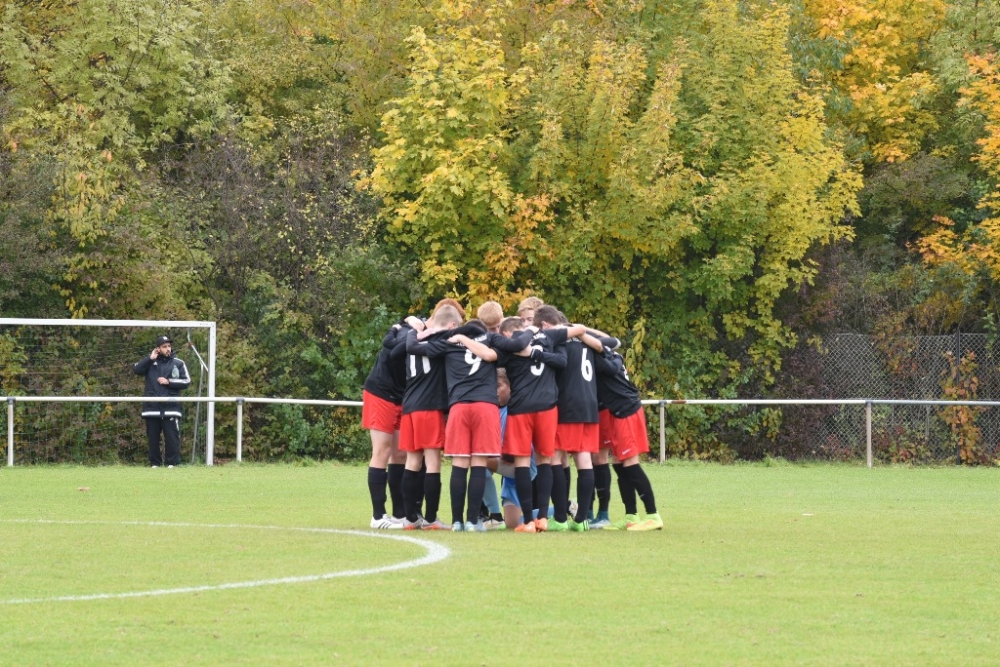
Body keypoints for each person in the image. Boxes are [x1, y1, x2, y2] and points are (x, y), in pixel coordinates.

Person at [495, 315, 568, 532]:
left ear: (507, 333)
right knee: (545, 460)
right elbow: (568, 347)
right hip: (547, 406)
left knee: (522, 463)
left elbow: (493, 358)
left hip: (521, 408)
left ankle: (528, 521)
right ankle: (543, 518)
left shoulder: (510, 348)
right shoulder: (548, 339)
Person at [583, 335, 663, 531]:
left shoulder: (604, 359)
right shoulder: (610, 354)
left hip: (627, 411)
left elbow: (608, 357)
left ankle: (653, 515)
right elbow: (609, 342)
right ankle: (631, 516)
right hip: (616, 413)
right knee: (619, 465)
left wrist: (579, 333)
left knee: (631, 465)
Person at [363, 316, 422, 529]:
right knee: (382, 451)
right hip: (381, 392)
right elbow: (391, 346)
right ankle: (378, 516)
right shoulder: (407, 332)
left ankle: (399, 514)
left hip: (400, 396)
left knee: (400, 453)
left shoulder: (429, 333)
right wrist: (397, 327)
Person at [133, 334, 191, 468]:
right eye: (164, 346)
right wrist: (150, 359)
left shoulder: (178, 363)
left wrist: (169, 382)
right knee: (153, 438)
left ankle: (172, 463)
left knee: (172, 437)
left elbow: (186, 381)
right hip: (152, 408)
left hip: (171, 407)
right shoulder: (149, 362)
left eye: (169, 346)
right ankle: (155, 464)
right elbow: (136, 370)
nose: (168, 349)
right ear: (158, 348)